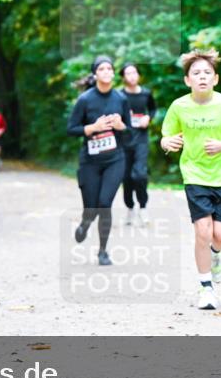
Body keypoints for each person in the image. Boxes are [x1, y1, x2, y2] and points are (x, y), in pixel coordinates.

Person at [161, 48, 221, 310]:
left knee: (220, 236)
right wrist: (168, 143)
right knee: (203, 231)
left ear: (216, 78)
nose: (202, 77)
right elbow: (166, 136)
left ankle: (214, 256)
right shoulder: (179, 106)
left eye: (207, 73)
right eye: (196, 73)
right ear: (187, 80)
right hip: (195, 175)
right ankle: (206, 289)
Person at [66, 56, 131, 266]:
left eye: (109, 68)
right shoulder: (85, 99)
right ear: (95, 74)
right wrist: (92, 128)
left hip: (115, 159)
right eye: (101, 68)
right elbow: (71, 129)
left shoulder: (121, 99)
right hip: (90, 162)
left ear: (113, 73)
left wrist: (120, 126)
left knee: (105, 204)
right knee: (91, 208)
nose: (106, 71)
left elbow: (129, 131)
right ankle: (85, 223)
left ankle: (103, 251)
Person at [119, 63, 158, 226]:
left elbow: (153, 110)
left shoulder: (146, 94)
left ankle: (143, 207)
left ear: (139, 75)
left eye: (134, 72)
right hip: (124, 140)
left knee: (139, 175)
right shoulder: (119, 96)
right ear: (123, 77)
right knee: (127, 178)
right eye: (128, 73)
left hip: (141, 139)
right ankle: (130, 207)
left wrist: (148, 118)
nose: (132, 76)